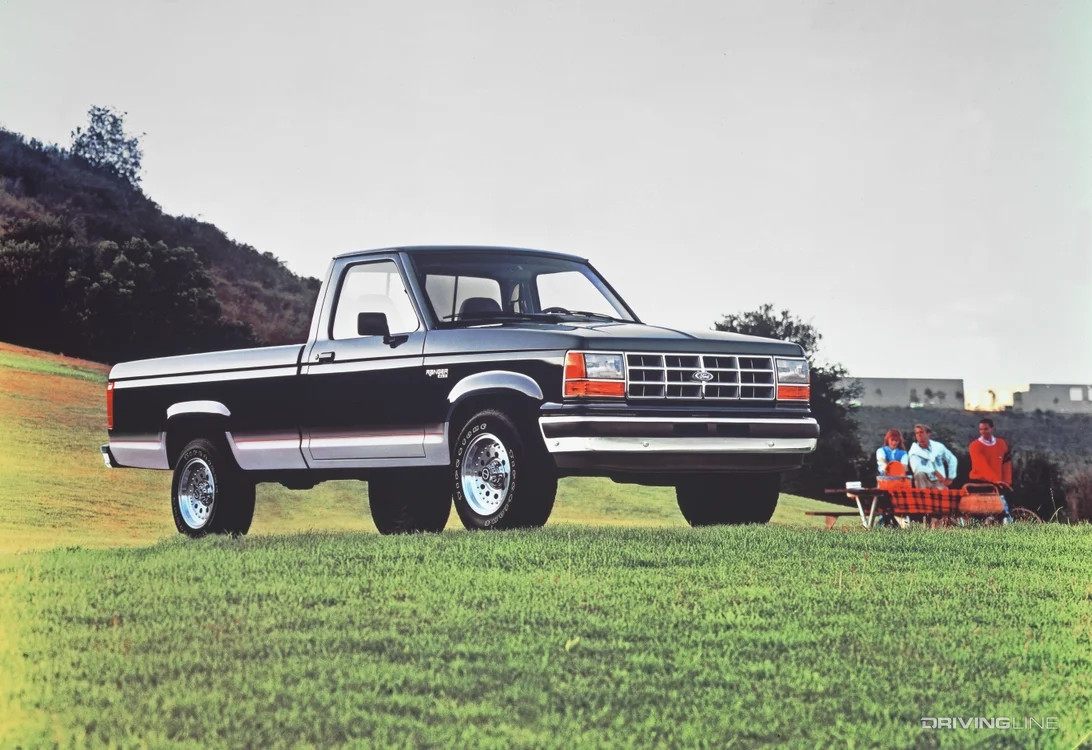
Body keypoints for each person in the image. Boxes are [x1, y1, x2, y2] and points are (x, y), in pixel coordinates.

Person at [968, 417, 1014, 522]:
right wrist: (995, 480)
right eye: (981, 429)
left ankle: (1006, 521)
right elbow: (981, 465)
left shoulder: (1001, 444)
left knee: (1007, 502)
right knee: (986, 507)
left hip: (999, 481)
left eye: (986, 429)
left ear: (992, 429)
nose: (983, 432)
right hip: (980, 481)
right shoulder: (975, 446)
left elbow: (1006, 464)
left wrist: (1007, 482)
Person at [908, 424, 957, 489]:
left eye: (921, 432)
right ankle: (922, 496)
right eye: (917, 433)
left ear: (928, 434)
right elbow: (916, 468)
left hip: (939, 481)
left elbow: (952, 459)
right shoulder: (914, 451)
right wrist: (934, 472)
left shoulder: (938, 446)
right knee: (919, 473)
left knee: (942, 494)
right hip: (924, 482)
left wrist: (951, 477)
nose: (919, 435)